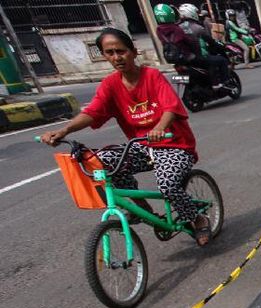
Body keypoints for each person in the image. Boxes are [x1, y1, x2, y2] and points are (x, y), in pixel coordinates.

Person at [40, 28, 211, 246]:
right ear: (104, 55)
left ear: (133, 52)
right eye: (109, 52)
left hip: (174, 144)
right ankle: (141, 207)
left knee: (167, 185)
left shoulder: (152, 76)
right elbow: (92, 113)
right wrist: (64, 131)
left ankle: (197, 219)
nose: (116, 57)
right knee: (104, 162)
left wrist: (159, 127)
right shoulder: (111, 85)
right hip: (140, 146)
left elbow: (170, 107)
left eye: (121, 51)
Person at [177, 3, 231, 87]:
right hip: (197, 57)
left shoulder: (177, 28)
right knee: (222, 60)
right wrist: (219, 45)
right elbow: (210, 41)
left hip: (183, 59)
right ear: (191, 13)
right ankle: (221, 82)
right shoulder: (197, 28)